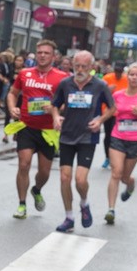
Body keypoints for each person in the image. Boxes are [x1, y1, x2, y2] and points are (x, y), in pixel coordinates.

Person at [48, 50, 113, 232]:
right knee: (64, 178)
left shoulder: (100, 85)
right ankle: (69, 217)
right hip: (67, 135)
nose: (80, 69)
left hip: (87, 136)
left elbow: (112, 108)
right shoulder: (65, 84)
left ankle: (84, 203)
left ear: (92, 67)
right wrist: (55, 117)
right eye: (77, 66)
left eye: (84, 66)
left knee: (80, 180)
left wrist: (99, 120)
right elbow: (54, 104)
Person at [7, 39, 68, 219]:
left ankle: (37, 189)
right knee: (23, 163)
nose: (42, 56)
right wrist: (12, 107)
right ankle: (22, 204)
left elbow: (66, 102)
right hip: (27, 126)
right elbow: (12, 93)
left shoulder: (62, 77)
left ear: (53, 56)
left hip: (48, 130)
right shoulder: (25, 73)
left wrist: (56, 109)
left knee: (44, 172)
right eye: (39, 52)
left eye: (46, 53)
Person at [103, 63, 137, 225]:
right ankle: (111, 210)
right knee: (116, 173)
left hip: (136, 140)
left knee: (124, 177)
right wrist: (98, 121)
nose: (134, 77)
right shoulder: (118, 95)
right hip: (118, 137)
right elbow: (110, 111)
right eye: (132, 74)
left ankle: (130, 184)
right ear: (128, 77)